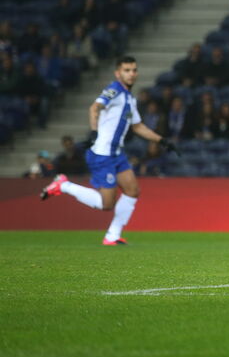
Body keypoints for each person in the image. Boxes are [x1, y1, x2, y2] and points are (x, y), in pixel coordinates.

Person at [39, 56, 177, 245]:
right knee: (107, 204)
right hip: (102, 153)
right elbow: (94, 108)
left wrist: (162, 140)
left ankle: (112, 235)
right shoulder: (114, 90)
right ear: (117, 73)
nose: (131, 74)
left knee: (132, 190)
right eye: (127, 70)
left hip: (117, 153)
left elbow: (137, 127)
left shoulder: (129, 99)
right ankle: (63, 185)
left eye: (134, 70)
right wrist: (94, 132)